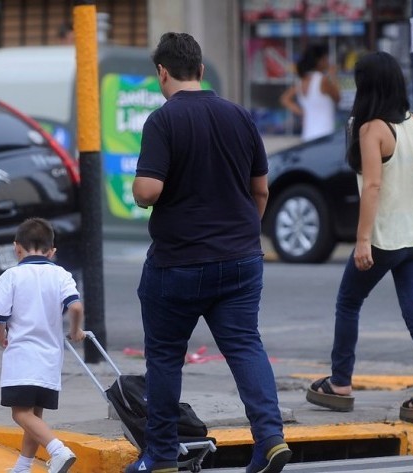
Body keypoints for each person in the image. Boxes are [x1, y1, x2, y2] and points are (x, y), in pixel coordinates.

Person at [126, 32, 291, 473]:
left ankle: (161, 455)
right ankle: (271, 438)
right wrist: (241, 234)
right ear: (200, 70)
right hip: (240, 259)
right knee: (244, 346)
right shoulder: (239, 116)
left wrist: (140, 191)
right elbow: (261, 189)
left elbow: (148, 190)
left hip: (178, 263)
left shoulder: (163, 122)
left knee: (164, 357)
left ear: (162, 72)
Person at [304, 51, 413, 427]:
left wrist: (362, 240)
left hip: (384, 239)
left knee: (348, 303)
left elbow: (372, 187)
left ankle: (340, 384)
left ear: (367, 86)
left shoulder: (372, 130)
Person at [0, 217, 85, 473]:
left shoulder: (10, 276)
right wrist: (75, 331)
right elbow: (75, 306)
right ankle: (23, 466)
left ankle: (58, 450)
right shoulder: (61, 274)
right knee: (35, 415)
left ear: (16, 247)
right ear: (52, 251)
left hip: (21, 355)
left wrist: (1, 337)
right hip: (50, 358)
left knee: (20, 414)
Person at [279, 44, 340, 143]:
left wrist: (302, 112)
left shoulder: (301, 81)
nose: (328, 62)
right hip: (324, 135)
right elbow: (337, 98)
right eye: (326, 58)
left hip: (307, 135)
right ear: (319, 61)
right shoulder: (323, 80)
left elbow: (284, 99)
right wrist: (333, 76)